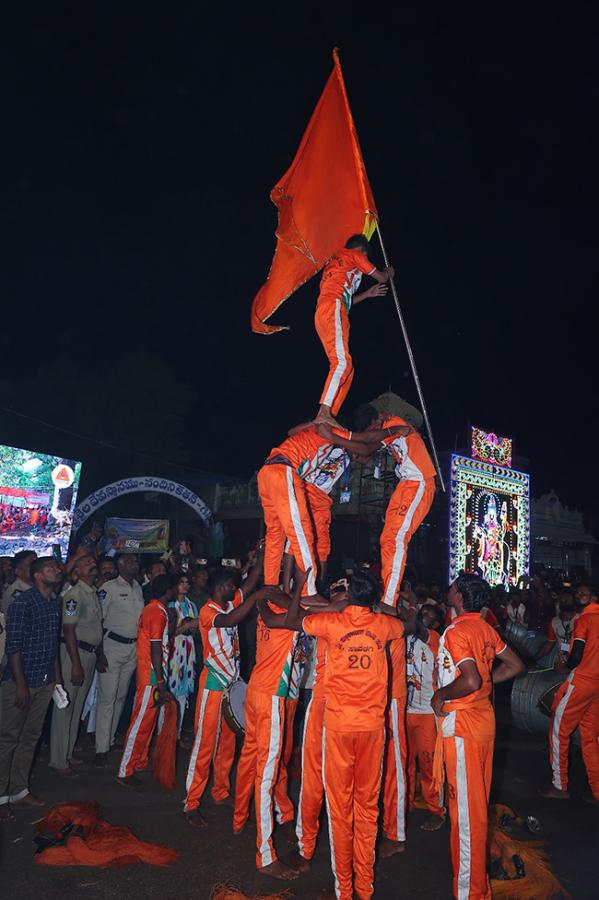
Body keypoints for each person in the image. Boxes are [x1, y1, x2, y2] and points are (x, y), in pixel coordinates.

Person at [267, 570, 419, 900]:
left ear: (349, 596)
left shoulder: (333, 620)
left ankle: (346, 889)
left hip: (338, 722)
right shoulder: (374, 622)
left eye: (344, 589)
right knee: (357, 805)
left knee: (342, 808)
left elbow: (291, 619)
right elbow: (409, 623)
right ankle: (356, 884)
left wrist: (299, 590)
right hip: (365, 726)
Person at [432, 574, 523, 900]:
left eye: (453, 585)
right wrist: (486, 683)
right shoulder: (485, 628)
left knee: (467, 819)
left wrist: (441, 694)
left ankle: (472, 893)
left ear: (459, 596)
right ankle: (476, 887)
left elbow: (469, 681)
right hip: (482, 723)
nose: (449, 588)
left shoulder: (456, 631)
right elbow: (513, 664)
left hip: (464, 729)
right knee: (473, 808)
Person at [259, 422, 407, 599]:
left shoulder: (346, 451)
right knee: (298, 539)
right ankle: (288, 589)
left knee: (321, 548)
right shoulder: (332, 435)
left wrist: (379, 444)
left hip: (323, 500)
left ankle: (317, 587)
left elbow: (366, 455)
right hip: (307, 490)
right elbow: (365, 445)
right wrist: (391, 433)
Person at [184, 565, 263, 826]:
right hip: (213, 686)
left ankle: (220, 792)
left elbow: (248, 586)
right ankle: (191, 802)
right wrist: (253, 600)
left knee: (227, 745)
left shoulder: (228, 605)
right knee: (205, 745)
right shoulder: (209, 611)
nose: (235, 589)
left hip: (230, 685)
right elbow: (230, 621)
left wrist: (261, 559)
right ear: (221, 587)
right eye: (231, 586)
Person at [354, 403, 437, 607]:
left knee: (397, 537)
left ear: (376, 421)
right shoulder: (386, 427)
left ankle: (389, 599)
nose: (373, 433)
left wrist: (342, 437)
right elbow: (366, 453)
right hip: (406, 484)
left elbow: (367, 443)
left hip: (419, 482)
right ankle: (388, 591)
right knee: (387, 538)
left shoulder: (393, 424)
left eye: (372, 429)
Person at [0, 557, 63, 820]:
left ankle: (19, 789)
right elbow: (12, 647)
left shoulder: (55, 603)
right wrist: (21, 684)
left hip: (44, 680)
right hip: (20, 682)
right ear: (38, 575)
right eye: (51, 568)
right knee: (7, 739)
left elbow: (52, 645)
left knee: (30, 738)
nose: (58, 570)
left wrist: (56, 680)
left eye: (58, 567)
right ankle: (1, 795)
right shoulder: (22, 603)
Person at [314, 234, 394, 424]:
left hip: (332, 310)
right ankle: (323, 412)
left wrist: (368, 294)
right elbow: (381, 277)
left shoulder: (338, 266)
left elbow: (347, 300)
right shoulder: (352, 255)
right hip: (332, 308)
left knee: (348, 369)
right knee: (341, 363)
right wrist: (389, 272)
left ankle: (330, 414)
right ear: (362, 251)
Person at [540, 583, 599, 805]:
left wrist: (566, 667)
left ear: (593, 596)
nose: (580, 595)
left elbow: (577, 653)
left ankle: (559, 785)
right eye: (578, 593)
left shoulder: (583, 620)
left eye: (585, 592)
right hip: (596, 687)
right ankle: (597, 790)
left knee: (558, 731)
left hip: (581, 682)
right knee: (590, 738)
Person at [49, 555, 105, 776]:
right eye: (86, 563)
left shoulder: (91, 593)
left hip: (88, 654)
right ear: (77, 572)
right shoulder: (74, 595)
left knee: (77, 705)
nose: (92, 564)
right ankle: (58, 760)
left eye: (92, 562)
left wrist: (98, 655)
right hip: (75, 654)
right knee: (65, 707)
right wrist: (75, 664)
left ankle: (67, 753)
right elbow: (69, 630)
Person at [117, 574, 176, 785]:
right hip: (151, 675)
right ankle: (126, 769)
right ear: (167, 591)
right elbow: (155, 647)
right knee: (141, 722)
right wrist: (160, 680)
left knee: (147, 722)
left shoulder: (156, 610)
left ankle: (139, 761)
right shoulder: (156, 612)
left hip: (153, 673)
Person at [94, 554, 144, 766]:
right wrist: (99, 652)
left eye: (135, 561)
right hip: (111, 647)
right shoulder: (109, 588)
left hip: (133, 647)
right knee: (107, 698)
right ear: (120, 565)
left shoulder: (138, 587)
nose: (135, 563)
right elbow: (98, 619)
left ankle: (111, 738)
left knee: (121, 696)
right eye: (131, 561)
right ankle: (100, 749)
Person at [405, 604, 445, 831]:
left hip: (428, 713)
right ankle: (406, 803)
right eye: (423, 612)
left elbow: (418, 627)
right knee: (405, 763)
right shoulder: (407, 636)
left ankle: (436, 811)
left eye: (429, 613)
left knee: (429, 766)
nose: (424, 615)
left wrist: (411, 611)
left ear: (437, 623)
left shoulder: (435, 638)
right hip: (406, 709)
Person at [533, 590, 578, 665]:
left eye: (568, 599)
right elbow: (550, 643)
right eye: (562, 599)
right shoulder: (554, 622)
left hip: (579, 663)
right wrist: (533, 659)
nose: (564, 601)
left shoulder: (581, 619)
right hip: (561, 661)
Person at [1, 550, 37, 616]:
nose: (36, 569)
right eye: (31, 566)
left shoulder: (41, 588)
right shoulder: (16, 593)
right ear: (18, 571)